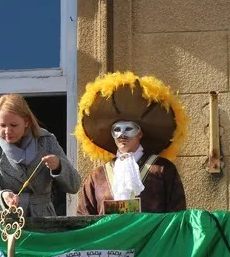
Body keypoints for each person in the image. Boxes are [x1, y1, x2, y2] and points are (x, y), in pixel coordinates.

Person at [75, 72, 188, 215]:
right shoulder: (97, 176)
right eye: (116, 130)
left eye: (128, 129)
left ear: (140, 134)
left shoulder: (162, 169)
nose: (122, 135)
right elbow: (84, 217)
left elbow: (177, 214)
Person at [0, 94, 80, 218]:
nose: (7, 131)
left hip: (43, 221)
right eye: (2, 125)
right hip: (2, 221)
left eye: (14, 125)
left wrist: (58, 167)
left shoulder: (47, 141)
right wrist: (3, 197)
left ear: (26, 122)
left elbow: (74, 185)